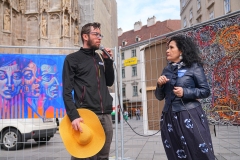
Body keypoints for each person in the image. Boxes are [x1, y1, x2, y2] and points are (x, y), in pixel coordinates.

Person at [155, 35, 214, 160]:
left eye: (171, 47)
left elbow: (205, 91)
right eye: (167, 48)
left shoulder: (194, 67)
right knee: (175, 153)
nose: (167, 50)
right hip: (169, 117)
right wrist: (159, 85)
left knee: (199, 151)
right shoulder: (166, 70)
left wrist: (185, 92)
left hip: (189, 115)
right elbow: (159, 97)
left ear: (181, 50)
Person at [62, 22, 114, 160]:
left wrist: (108, 62)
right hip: (86, 116)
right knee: (83, 156)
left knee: (103, 157)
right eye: (96, 34)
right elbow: (66, 91)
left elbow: (109, 82)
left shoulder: (99, 58)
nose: (100, 38)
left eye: (100, 34)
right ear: (85, 36)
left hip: (105, 116)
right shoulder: (72, 59)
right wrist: (73, 116)